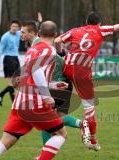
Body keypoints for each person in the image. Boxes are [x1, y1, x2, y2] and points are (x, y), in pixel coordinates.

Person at [54, 3, 119, 151]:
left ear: (86, 22)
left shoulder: (75, 30)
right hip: (81, 72)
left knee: (54, 107)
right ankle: (92, 139)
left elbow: (57, 41)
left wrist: (61, 53)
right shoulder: (100, 30)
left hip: (66, 67)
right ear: (99, 23)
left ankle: (55, 118)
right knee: (89, 107)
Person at [0, 21, 68, 160]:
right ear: (55, 34)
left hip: (20, 102)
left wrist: (54, 85)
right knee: (60, 134)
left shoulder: (32, 49)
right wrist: (46, 95)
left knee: (6, 141)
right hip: (35, 102)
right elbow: (36, 71)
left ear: (39, 32)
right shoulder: (48, 50)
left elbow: (31, 76)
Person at [20, 21, 86, 158]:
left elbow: (43, 66)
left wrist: (53, 82)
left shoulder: (39, 44)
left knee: (47, 120)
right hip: (59, 84)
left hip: (57, 84)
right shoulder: (40, 43)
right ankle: (82, 124)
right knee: (54, 120)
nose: (20, 34)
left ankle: (44, 156)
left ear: (33, 33)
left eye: (23, 32)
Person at [0, 20, 21, 106]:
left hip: (16, 59)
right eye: (13, 26)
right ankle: (14, 104)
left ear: (18, 28)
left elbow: (30, 30)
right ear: (10, 27)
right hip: (8, 59)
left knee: (16, 83)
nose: (15, 28)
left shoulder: (19, 34)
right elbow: (0, 49)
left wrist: (38, 22)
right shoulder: (5, 36)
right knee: (11, 84)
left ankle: (1, 94)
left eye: (16, 27)